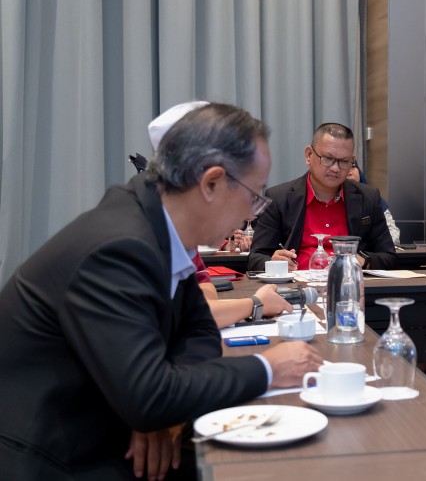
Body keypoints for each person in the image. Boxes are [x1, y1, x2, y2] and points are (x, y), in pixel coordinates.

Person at [0, 103, 323, 479]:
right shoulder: (120, 246)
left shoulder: (162, 227)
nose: (253, 213)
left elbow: (198, 332)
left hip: (111, 420)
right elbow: (150, 397)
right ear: (212, 182)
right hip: (55, 454)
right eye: (255, 195)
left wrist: (164, 403)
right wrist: (269, 367)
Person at [148, 101, 292, 328]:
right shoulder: (132, 246)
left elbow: (200, 298)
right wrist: (255, 304)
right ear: (210, 184)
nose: (249, 213)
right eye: (250, 196)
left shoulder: (178, 232)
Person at [248, 123, 397, 272]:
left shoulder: (368, 198)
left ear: (352, 161)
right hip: (295, 288)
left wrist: (363, 260)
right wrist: (274, 262)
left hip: (349, 286)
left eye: (344, 161)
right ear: (309, 155)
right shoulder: (279, 198)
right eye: (328, 158)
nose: (335, 168)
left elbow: (389, 257)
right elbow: (256, 257)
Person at [347, 160, 401, 245]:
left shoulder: (373, 199)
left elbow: (393, 235)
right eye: (345, 167)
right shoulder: (333, 200)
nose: (349, 172)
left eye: (353, 166)